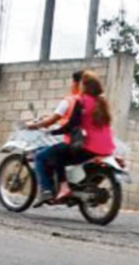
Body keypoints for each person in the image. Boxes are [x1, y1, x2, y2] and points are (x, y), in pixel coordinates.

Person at [50, 70, 116, 203]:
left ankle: (64, 187)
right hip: (108, 148)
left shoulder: (82, 101)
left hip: (90, 147)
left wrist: (53, 132)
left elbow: (72, 124)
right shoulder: (102, 103)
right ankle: (82, 188)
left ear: (84, 86)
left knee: (56, 153)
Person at [25, 71, 83, 206]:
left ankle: (47, 190)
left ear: (75, 83)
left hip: (71, 140)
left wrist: (34, 125)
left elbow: (53, 120)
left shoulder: (70, 101)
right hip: (87, 142)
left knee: (40, 156)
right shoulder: (93, 101)